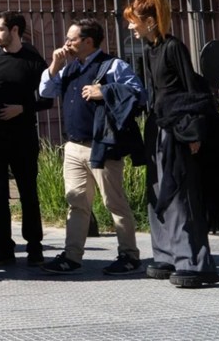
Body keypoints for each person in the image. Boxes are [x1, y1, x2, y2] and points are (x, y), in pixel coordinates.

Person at [124, 0, 219, 288]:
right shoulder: (151, 51)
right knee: (157, 192)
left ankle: (194, 261)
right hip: (158, 126)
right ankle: (166, 254)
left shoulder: (173, 47)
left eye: (134, 21)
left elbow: (194, 91)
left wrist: (194, 133)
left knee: (180, 193)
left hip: (178, 128)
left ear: (151, 21)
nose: (130, 26)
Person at [38, 18, 144, 275]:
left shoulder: (113, 65)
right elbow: (45, 91)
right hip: (74, 146)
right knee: (76, 202)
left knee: (114, 203)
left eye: (71, 39)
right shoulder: (70, 67)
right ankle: (72, 256)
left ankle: (129, 255)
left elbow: (139, 93)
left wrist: (104, 91)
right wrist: (55, 63)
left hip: (103, 145)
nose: (66, 43)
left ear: (88, 41)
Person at [0, 11, 51, 267]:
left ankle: (34, 247)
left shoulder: (32, 60)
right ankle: (4, 250)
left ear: (15, 30)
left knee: (28, 193)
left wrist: (22, 108)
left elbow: (47, 97)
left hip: (22, 137)